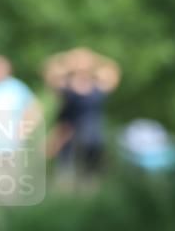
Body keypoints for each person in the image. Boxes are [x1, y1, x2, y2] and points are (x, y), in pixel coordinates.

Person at [44, 47, 120, 178]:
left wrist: (94, 58)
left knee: (89, 170)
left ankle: (87, 193)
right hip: (66, 132)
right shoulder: (65, 84)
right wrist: (68, 58)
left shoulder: (98, 85)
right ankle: (65, 193)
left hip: (92, 134)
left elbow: (114, 69)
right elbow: (48, 68)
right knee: (64, 167)